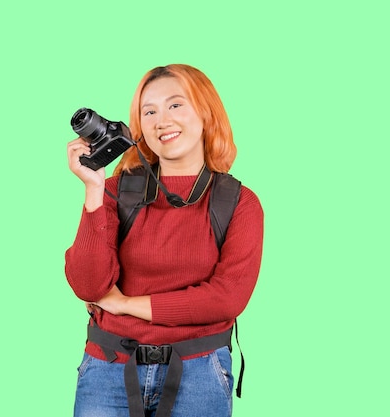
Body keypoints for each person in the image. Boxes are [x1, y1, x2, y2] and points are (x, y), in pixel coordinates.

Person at [65, 64, 264, 417]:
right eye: (149, 111)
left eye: (175, 105)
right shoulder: (115, 191)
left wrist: (125, 304)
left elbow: (226, 299)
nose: (161, 120)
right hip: (109, 368)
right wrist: (93, 188)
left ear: (205, 113)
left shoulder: (238, 202)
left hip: (199, 370)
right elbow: (88, 284)